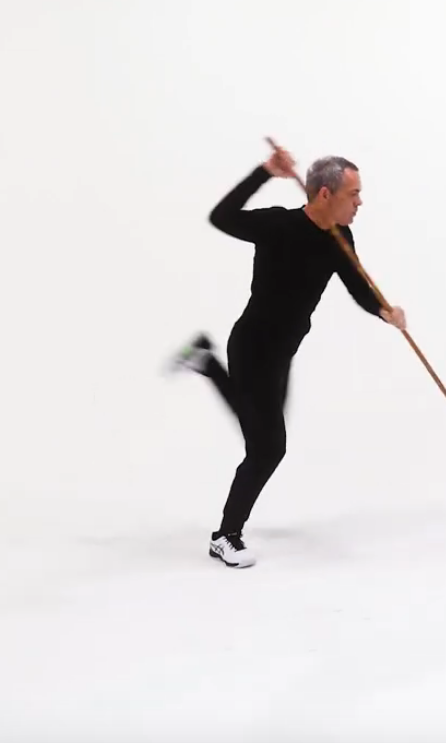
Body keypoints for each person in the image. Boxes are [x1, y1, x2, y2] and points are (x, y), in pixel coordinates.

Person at [168, 144, 407, 568]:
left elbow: (356, 284)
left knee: (256, 431)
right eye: (353, 194)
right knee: (267, 449)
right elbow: (221, 217)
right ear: (325, 195)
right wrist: (264, 172)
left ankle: (204, 360)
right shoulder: (277, 225)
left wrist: (383, 310)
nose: (360, 203)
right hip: (253, 348)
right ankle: (225, 536)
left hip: (282, 353)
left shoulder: (339, 237)